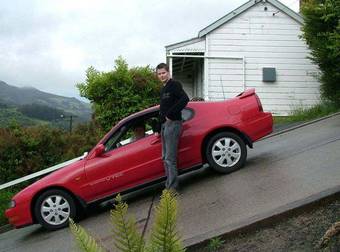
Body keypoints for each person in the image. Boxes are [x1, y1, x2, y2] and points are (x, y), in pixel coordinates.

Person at [156, 63, 189, 191]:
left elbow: (185, 99)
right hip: (165, 126)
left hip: (173, 124)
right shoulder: (164, 89)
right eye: (159, 74)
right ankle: (168, 185)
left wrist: (171, 114)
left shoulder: (174, 85)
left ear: (168, 72)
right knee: (165, 158)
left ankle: (173, 188)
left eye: (163, 73)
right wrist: (158, 128)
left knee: (170, 158)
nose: (162, 75)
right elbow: (162, 110)